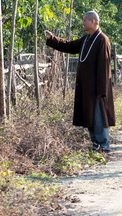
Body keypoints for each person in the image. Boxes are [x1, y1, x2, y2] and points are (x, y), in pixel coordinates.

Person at [44, 11, 116, 153]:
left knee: (98, 117)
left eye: (85, 20)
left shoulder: (102, 40)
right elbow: (69, 46)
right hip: (85, 86)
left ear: (93, 22)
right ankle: (95, 144)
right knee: (89, 116)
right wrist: (52, 38)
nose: (83, 23)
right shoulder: (86, 39)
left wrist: (101, 90)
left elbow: (104, 66)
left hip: (96, 88)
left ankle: (104, 145)